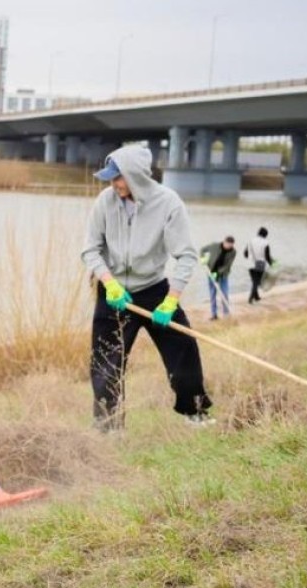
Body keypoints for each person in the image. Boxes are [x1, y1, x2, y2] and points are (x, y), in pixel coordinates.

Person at [81, 145, 214, 433]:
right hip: (114, 295)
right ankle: (109, 427)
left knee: (184, 349)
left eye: (118, 177)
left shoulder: (168, 203)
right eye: (111, 178)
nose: (113, 184)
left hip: (154, 290)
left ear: (136, 176)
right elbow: (90, 249)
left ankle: (195, 412)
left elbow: (186, 256)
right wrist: (109, 282)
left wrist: (170, 301)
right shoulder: (105, 202)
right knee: (105, 361)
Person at [199, 235, 236, 320]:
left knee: (224, 294)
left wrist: (217, 273)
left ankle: (226, 314)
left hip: (223, 275)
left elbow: (227, 265)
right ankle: (214, 314)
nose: (229, 247)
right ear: (224, 242)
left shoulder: (233, 252)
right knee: (212, 294)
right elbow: (202, 250)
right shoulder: (214, 246)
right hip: (211, 273)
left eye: (231, 245)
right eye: (228, 244)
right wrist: (203, 259)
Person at [244, 227, 274, 304]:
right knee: (256, 281)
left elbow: (245, 253)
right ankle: (251, 298)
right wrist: (272, 264)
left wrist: (250, 258)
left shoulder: (250, 240)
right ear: (266, 235)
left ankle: (256, 297)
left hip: (250, 263)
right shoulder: (265, 243)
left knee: (254, 281)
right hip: (260, 263)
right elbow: (267, 256)